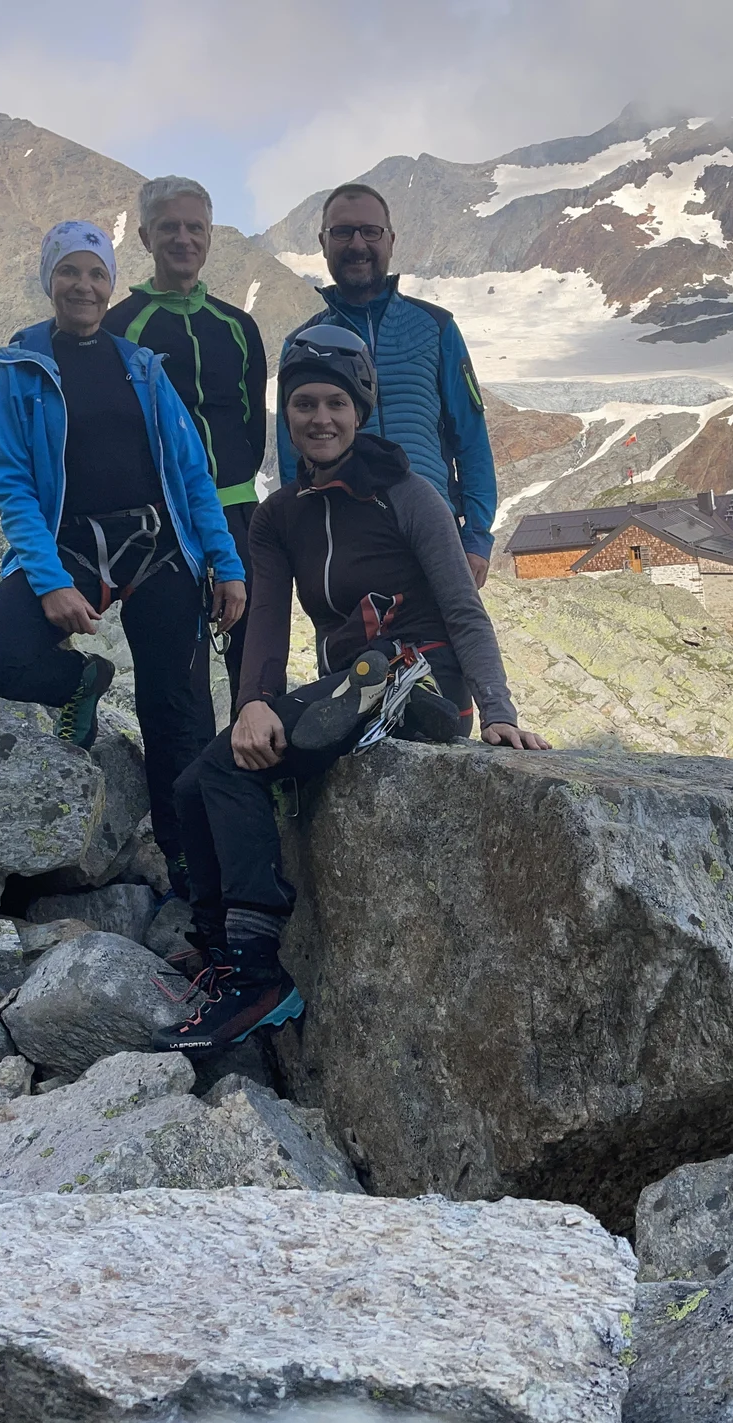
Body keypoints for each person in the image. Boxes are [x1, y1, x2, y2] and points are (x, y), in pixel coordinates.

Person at [161, 325, 548, 1050]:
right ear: (289, 416)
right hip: (353, 687)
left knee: (238, 767)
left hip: (423, 681)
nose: (320, 417)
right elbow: (267, 627)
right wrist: (251, 703)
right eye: (304, 403)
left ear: (361, 408)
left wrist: (498, 713)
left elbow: (465, 609)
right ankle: (218, 952)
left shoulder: (408, 495)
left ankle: (255, 975)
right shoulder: (279, 518)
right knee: (194, 783)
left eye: (335, 402)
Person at [0, 220, 246, 891]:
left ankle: (187, 860)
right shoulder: (19, 369)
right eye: (70, 272)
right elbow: (13, 484)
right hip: (73, 547)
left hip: (161, 547)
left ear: (111, 285)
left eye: (96, 273)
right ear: (49, 280)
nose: (84, 285)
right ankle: (79, 682)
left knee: (179, 713)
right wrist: (49, 581)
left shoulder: (139, 366)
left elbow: (191, 473)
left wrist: (225, 562)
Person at [276, 183, 498, 590]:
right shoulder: (300, 344)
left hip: (432, 533)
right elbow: (293, 459)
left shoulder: (437, 327)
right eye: (342, 232)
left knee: (449, 649)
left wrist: (477, 537)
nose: (357, 243)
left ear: (391, 240)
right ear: (323, 243)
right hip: (340, 537)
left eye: (370, 231)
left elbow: (470, 437)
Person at [104, 176, 267, 717]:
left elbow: (251, 423)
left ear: (210, 236)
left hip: (239, 513)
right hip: (165, 524)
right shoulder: (120, 327)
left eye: (194, 227)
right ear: (146, 238)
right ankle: (180, 798)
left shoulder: (238, 326)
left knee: (258, 671)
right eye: (168, 227)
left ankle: (262, 791)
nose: (183, 238)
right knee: (174, 681)